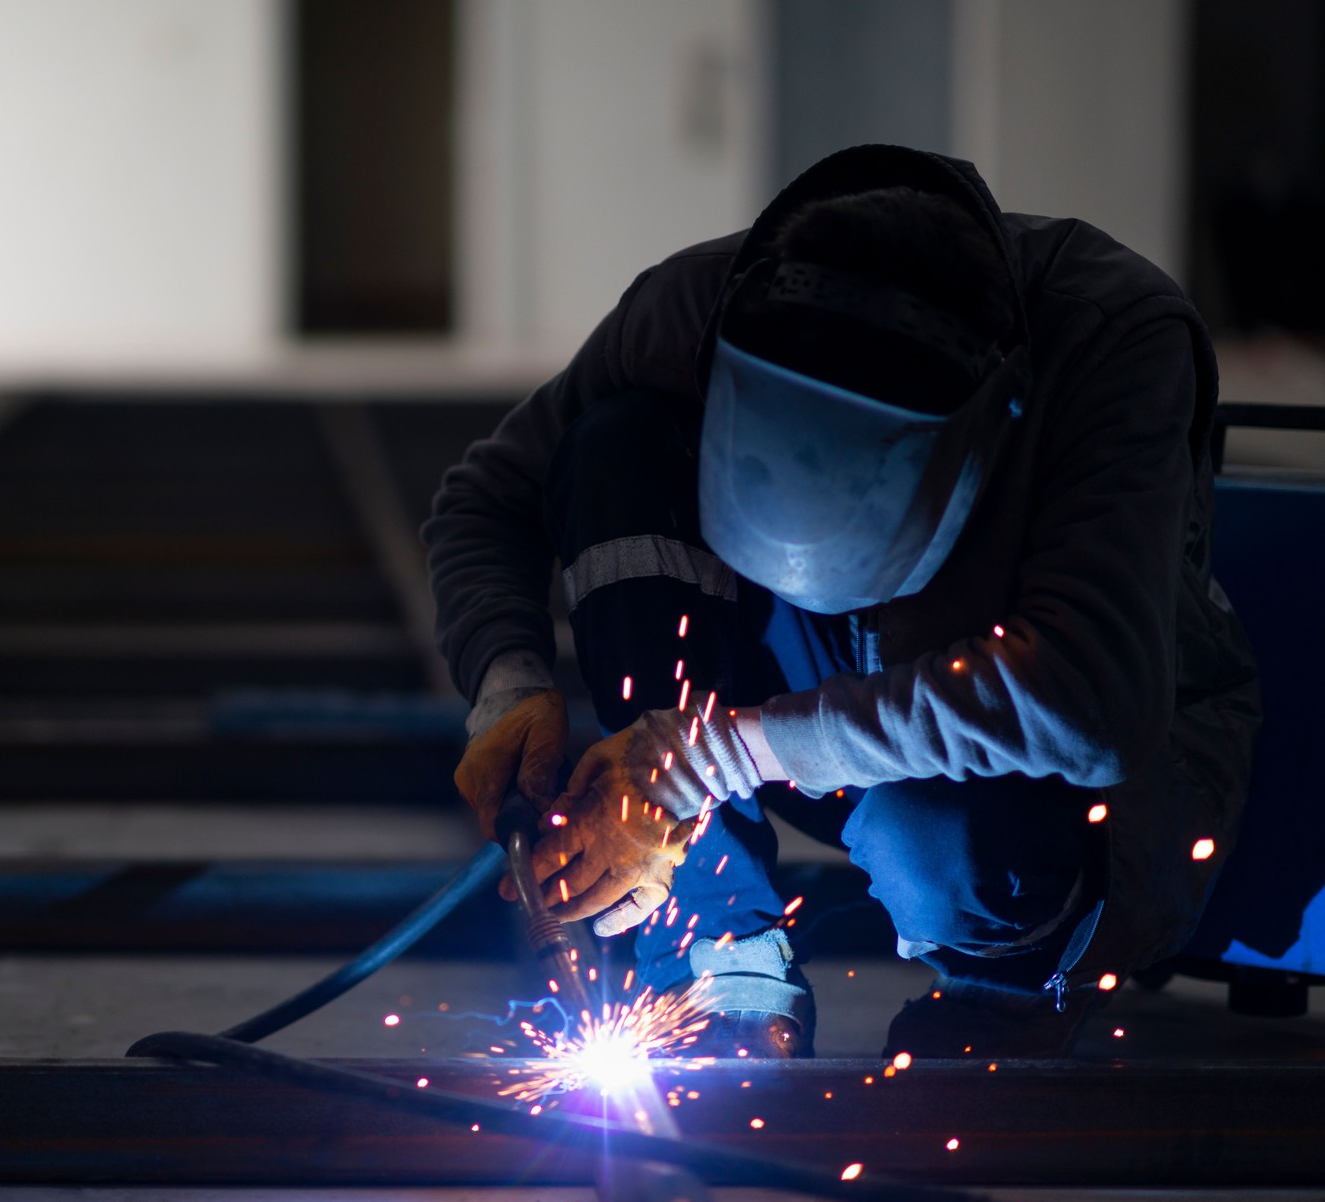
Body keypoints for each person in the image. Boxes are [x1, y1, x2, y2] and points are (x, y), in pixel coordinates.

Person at [427, 145, 1261, 1058]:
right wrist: (507, 678)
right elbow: (489, 494)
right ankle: (721, 950)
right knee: (612, 446)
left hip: (1052, 769)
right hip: (812, 692)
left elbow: (1093, 704)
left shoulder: (1113, 340)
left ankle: (1008, 983)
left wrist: (714, 756)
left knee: (932, 839)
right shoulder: (693, 306)